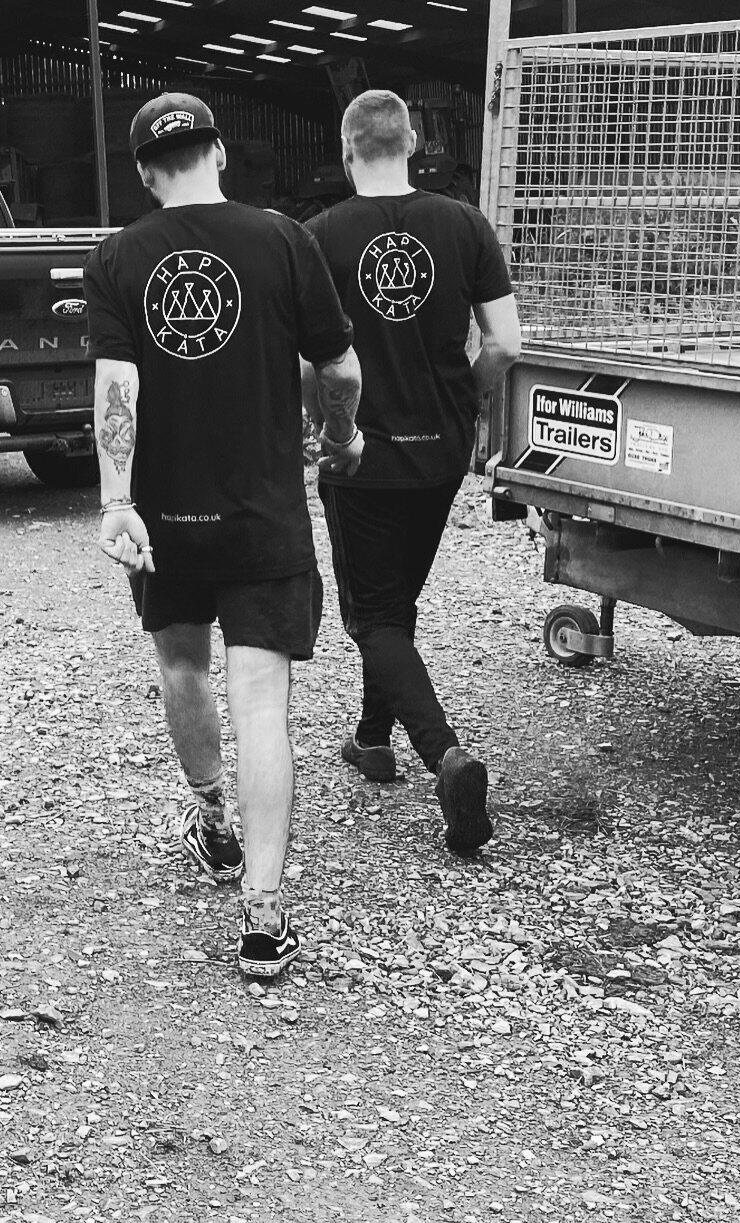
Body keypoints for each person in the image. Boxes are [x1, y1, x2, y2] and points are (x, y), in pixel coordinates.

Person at [83, 92, 363, 981]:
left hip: (165, 520)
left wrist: (115, 500)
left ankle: (211, 818)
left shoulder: (119, 256)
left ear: (142, 172)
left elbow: (116, 388)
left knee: (181, 664)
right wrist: (343, 435)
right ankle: (264, 920)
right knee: (263, 706)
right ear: (220, 154)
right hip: (261, 515)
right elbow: (339, 365)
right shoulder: (284, 239)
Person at [306, 89, 521, 855]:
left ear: (346, 149)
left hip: (362, 457)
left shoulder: (321, 236)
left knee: (376, 616)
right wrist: (464, 394)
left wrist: (327, 428)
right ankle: (371, 738)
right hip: (439, 454)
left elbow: (313, 360)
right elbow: (505, 343)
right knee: (396, 603)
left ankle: (446, 756)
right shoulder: (464, 223)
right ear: (414, 141)